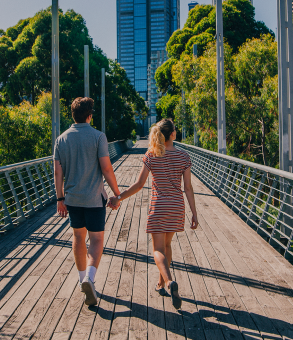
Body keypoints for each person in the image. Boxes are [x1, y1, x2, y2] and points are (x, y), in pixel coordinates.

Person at [108, 118, 197, 309]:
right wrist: (194, 213)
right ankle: (161, 283)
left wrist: (119, 197)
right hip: (176, 207)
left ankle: (169, 281)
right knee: (167, 245)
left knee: (157, 250)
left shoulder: (152, 155)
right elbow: (188, 188)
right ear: (172, 134)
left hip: (158, 207)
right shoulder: (184, 157)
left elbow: (139, 185)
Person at [54, 97, 121, 307]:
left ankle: (81, 277)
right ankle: (89, 279)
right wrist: (116, 193)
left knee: (78, 237)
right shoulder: (98, 137)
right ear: (90, 116)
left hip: (72, 199)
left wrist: (59, 198)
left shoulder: (61, 139)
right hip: (94, 198)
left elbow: (57, 172)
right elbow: (107, 169)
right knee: (97, 240)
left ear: (73, 116)